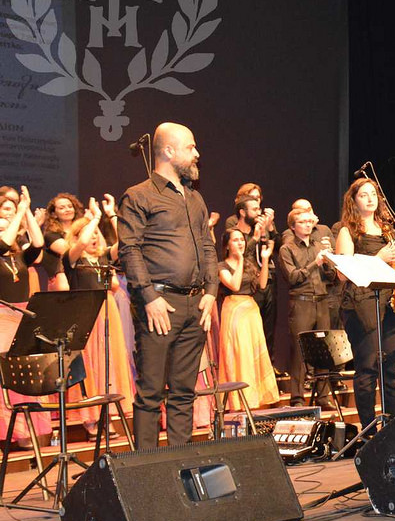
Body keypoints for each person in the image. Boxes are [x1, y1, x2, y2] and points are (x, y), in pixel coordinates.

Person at [118, 122, 218, 449]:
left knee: (183, 393)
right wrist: (148, 297)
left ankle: (180, 463)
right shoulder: (139, 195)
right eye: (191, 147)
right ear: (169, 151)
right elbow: (129, 249)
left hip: (194, 306)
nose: (197, 153)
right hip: (159, 306)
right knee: (149, 393)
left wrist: (211, 292)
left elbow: (207, 246)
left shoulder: (195, 199)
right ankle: (147, 473)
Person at [335, 178, 395, 430]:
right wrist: (379, 258)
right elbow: (342, 274)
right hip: (361, 304)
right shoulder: (348, 232)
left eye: (373, 194)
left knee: (392, 368)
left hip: (392, 302)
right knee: (367, 368)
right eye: (363, 195)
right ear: (353, 200)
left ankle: (393, 426)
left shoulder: (388, 231)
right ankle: (368, 429)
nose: (370, 198)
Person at [62, 197, 136, 436]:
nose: (92, 237)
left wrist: (111, 215)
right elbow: (82, 241)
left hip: (108, 314)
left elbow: (124, 242)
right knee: (91, 365)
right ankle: (90, 418)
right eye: (87, 234)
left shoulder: (103, 259)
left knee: (110, 364)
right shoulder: (73, 259)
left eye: (95, 234)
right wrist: (93, 219)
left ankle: (108, 416)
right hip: (85, 314)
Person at [0, 187, 51, 449]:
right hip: (1, 317)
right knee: (6, 375)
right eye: (2, 213)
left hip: (21, 315)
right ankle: (8, 431)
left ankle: (27, 431)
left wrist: (27, 210)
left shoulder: (18, 254)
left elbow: (39, 244)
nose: (7, 218)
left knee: (25, 372)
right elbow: (3, 242)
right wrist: (17, 210)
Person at [279, 207, 335, 407]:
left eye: (309, 221)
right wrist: (315, 262)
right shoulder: (287, 248)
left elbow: (331, 277)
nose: (308, 225)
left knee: (323, 349)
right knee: (300, 352)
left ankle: (323, 396)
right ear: (293, 227)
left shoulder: (319, 245)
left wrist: (329, 261)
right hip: (301, 302)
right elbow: (293, 277)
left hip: (321, 301)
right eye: (302, 222)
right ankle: (297, 397)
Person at [218, 229, 279, 411]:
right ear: (227, 245)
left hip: (251, 312)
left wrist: (266, 258)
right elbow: (235, 285)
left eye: (241, 240)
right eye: (235, 240)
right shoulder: (221, 266)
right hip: (234, 310)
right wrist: (241, 260)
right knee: (240, 353)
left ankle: (255, 398)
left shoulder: (251, 264)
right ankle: (238, 400)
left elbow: (261, 285)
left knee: (253, 353)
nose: (240, 243)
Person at [41, 192, 83, 291]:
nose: (67, 210)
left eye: (70, 206)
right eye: (62, 208)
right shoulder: (51, 235)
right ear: (54, 214)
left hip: (82, 277)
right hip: (62, 281)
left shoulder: (82, 231)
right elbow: (68, 251)